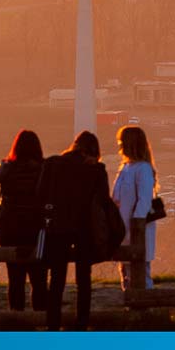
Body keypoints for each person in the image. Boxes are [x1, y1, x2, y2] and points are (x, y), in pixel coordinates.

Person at [36, 130, 112, 330]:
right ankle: (81, 324)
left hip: (56, 228)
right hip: (84, 229)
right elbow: (103, 200)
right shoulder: (96, 170)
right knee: (83, 280)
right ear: (94, 150)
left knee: (56, 280)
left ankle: (52, 325)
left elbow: (41, 195)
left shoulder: (52, 164)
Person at [0, 129, 48, 312]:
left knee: (15, 279)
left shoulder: (7, 169)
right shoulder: (44, 169)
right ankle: (40, 319)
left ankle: (17, 323)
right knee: (39, 279)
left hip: (9, 229)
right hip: (35, 230)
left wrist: (5, 162)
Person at [113, 125, 158, 290]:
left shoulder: (142, 169)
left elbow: (144, 201)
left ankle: (142, 306)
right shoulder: (126, 168)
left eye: (122, 142)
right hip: (123, 229)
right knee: (125, 272)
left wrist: (135, 224)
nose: (120, 146)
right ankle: (130, 304)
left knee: (139, 273)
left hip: (136, 230)